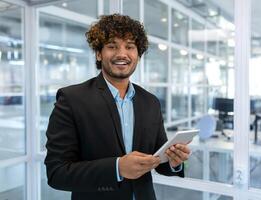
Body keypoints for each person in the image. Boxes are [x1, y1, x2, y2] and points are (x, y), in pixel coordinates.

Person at [44, 14, 191, 200]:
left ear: (138, 54)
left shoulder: (150, 102)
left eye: (130, 46)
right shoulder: (72, 99)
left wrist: (173, 161)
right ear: (99, 53)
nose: (122, 54)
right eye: (112, 46)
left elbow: (158, 162)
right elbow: (57, 173)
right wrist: (117, 168)